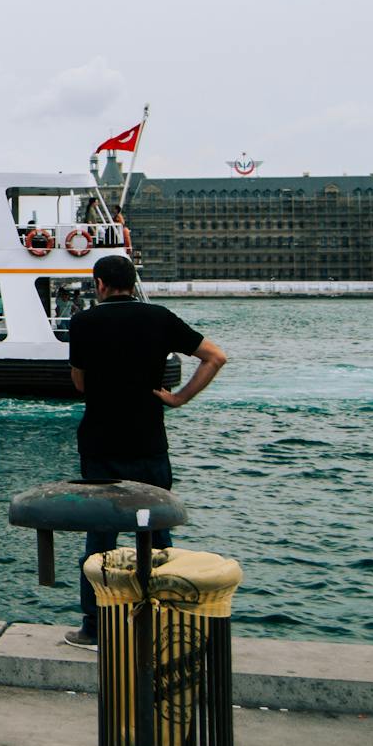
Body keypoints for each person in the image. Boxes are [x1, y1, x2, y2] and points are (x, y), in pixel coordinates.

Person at [63, 253, 228, 651]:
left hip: (101, 442)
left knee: (100, 539)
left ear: (99, 285)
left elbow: (80, 383)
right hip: (149, 440)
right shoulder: (160, 317)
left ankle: (94, 627)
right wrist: (179, 397)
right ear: (133, 283)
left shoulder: (84, 322)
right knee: (157, 532)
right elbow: (215, 356)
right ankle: (165, 621)